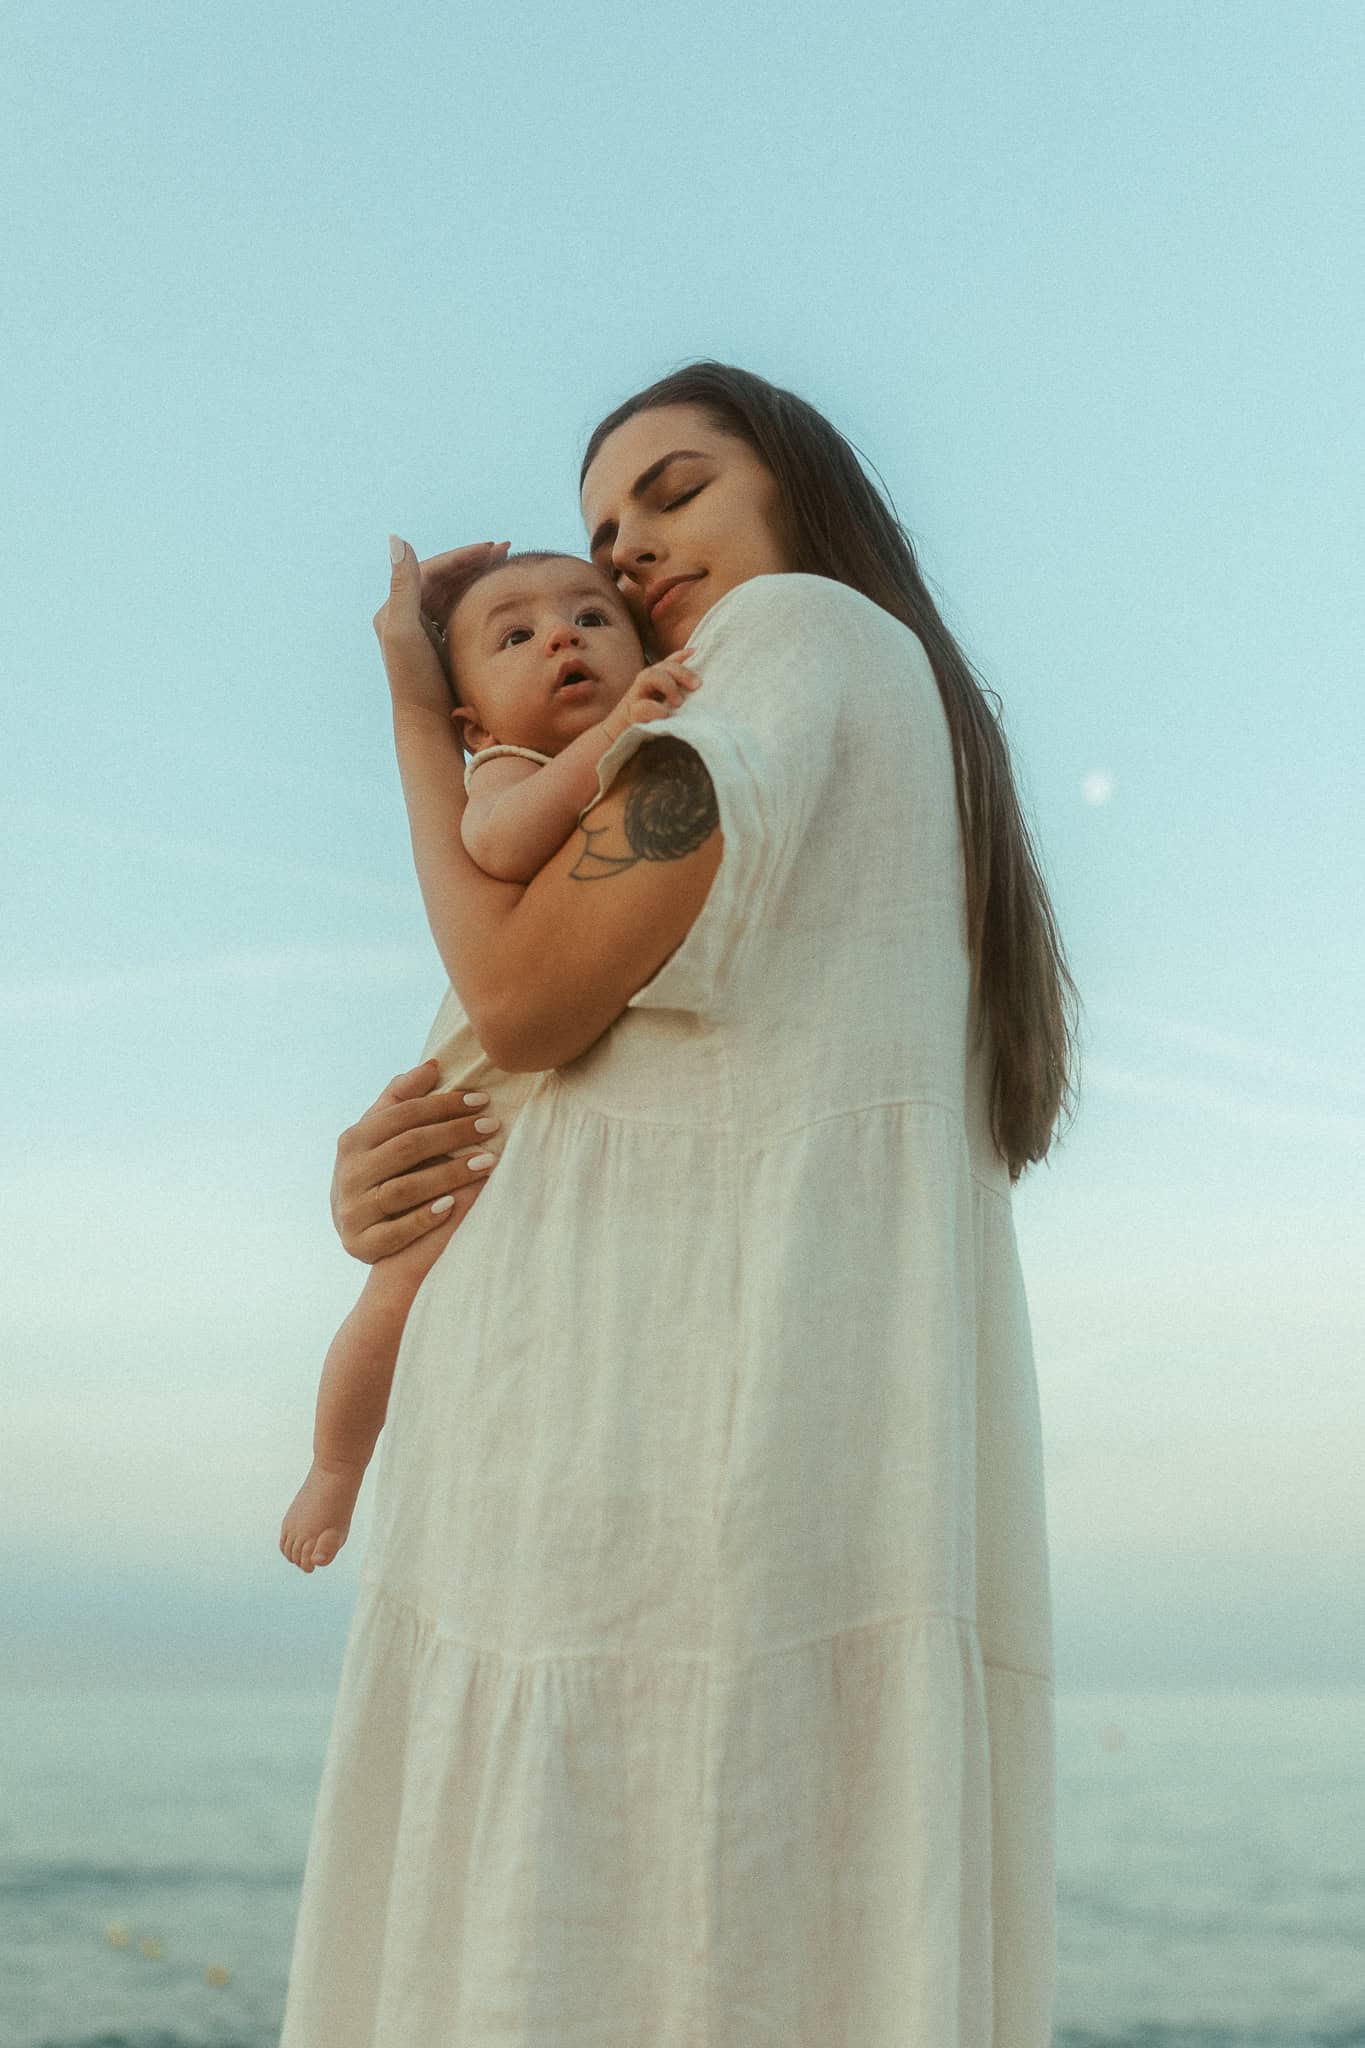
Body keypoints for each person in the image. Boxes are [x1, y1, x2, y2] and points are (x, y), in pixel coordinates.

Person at [278, 361, 1082, 2047]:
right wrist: (395, 1176)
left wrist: (418, 707)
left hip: (639, 1508)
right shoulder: (854, 721)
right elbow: (566, 1047)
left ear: (802, 493)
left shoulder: (794, 638)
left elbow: (518, 990)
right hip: (654, 1473)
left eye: (673, 491)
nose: (630, 553)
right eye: (596, 529)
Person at [279, 552, 704, 1573]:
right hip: (476, 1099)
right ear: (471, 722)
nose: (561, 636)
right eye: (515, 636)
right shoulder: (505, 764)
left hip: (552, 1101)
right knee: (394, 1295)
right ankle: (335, 1466)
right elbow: (506, 843)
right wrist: (618, 730)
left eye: (592, 616)